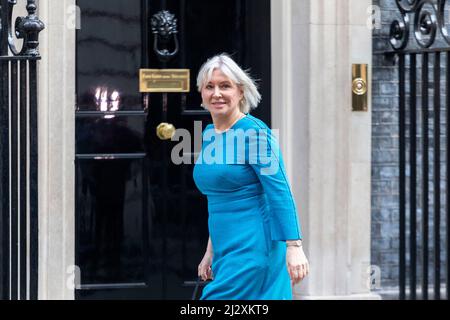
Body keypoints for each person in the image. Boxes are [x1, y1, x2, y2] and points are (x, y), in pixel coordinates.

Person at [193, 53, 309, 300]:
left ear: (241, 92)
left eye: (225, 86)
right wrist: (209, 251)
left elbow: (279, 191)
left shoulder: (255, 134)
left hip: (254, 245)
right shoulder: (209, 134)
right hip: (225, 248)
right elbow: (219, 198)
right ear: (201, 92)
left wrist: (294, 246)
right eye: (209, 86)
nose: (217, 93)